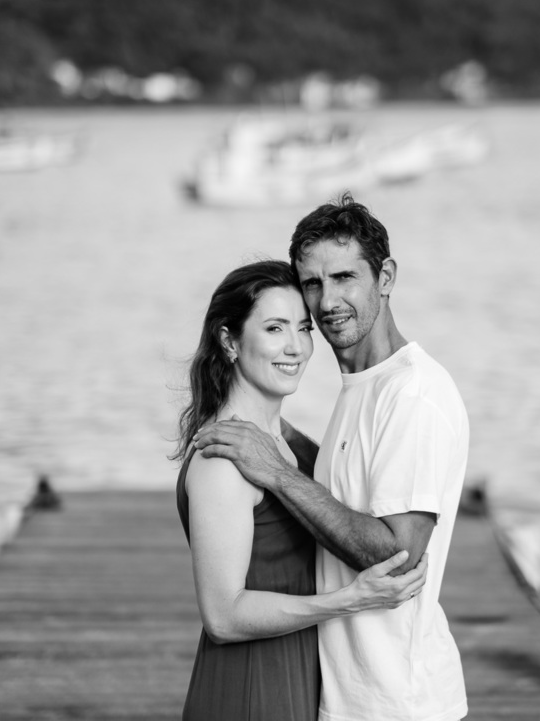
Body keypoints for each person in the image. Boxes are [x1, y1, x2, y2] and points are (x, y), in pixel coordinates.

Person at [194, 196, 470, 721]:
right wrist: (275, 433)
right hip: (344, 695)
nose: (327, 302)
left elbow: (398, 552)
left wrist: (277, 471)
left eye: (345, 277)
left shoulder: (413, 394)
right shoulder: (361, 385)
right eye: (313, 283)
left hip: (398, 704)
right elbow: (351, 485)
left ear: (385, 277)